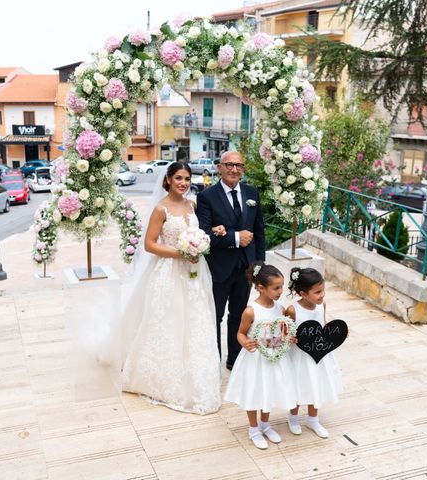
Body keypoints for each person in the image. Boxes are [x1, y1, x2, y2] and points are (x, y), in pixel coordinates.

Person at [121, 162, 221, 415]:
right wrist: (181, 252)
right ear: (167, 179)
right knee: (170, 321)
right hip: (169, 272)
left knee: (197, 320)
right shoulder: (160, 208)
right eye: (178, 178)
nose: (183, 183)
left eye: (187, 178)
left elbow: (201, 231)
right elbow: (150, 244)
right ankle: (163, 378)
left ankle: (197, 374)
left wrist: (208, 236)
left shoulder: (193, 204)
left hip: (195, 273)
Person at [197, 150, 266, 370]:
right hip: (219, 267)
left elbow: (259, 231)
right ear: (219, 167)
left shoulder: (252, 192)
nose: (234, 169)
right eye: (229, 165)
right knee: (215, 316)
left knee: (239, 314)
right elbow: (205, 235)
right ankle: (213, 359)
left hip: (246, 267)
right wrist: (236, 238)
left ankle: (234, 359)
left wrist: (260, 265)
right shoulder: (206, 196)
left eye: (239, 165)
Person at [224, 262, 298, 449]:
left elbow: (281, 332)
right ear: (260, 288)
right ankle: (253, 428)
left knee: (269, 389)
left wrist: (287, 339)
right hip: (256, 357)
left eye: (281, 287)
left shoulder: (279, 309)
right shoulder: (251, 311)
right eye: (276, 288)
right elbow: (240, 333)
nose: (280, 291)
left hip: (274, 356)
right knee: (254, 391)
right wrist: (245, 342)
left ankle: (265, 424)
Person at [285, 267, 343, 439]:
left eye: (323, 290)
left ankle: (313, 418)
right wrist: (290, 338)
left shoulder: (321, 305)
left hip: (318, 353)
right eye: (317, 292)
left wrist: (335, 333)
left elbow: (323, 325)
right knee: (297, 385)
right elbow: (286, 332)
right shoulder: (292, 310)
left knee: (315, 383)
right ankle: (293, 418)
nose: (322, 295)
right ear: (303, 293)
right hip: (299, 356)